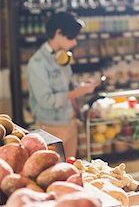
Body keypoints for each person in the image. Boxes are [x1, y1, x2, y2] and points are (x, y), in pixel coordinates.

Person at [27, 12, 98, 158]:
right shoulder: (37, 63)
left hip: (70, 123)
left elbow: (65, 87)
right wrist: (79, 92)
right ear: (58, 33)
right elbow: (46, 101)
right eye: (71, 37)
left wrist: (80, 86)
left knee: (69, 168)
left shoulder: (62, 56)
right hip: (50, 128)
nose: (74, 42)